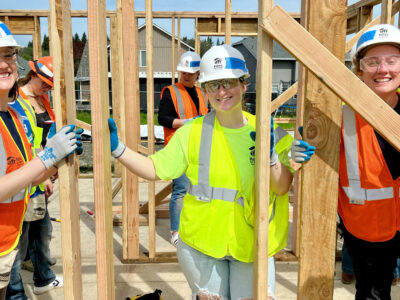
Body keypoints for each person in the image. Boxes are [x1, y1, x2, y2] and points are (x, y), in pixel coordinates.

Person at [109, 44, 314, 300]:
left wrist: (272, 156)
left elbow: (281, 187)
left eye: (228, 82)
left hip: (252, 245)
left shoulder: (268, 131)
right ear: (204, 89)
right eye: (212, 85)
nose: (221, 91)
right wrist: (118, 150)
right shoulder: (191, 132)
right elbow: (154, 168)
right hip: (201, 244)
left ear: (244, 84)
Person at [0, 21, 82, 300]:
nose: (4, 64)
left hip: (7, 236)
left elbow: (22, 164)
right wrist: (47, 156)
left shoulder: (10, 115)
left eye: (8, 55)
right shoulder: (18, 106)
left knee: (37, 233)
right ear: (32, 76)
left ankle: (36, 279)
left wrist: (54, 162)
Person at [338, 23, 400, 299]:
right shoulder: (342, 120)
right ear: (359, 69)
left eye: (392, 61)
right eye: (372, 62)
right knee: (373, 295)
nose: (383, 69)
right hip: (366, 228)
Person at [6, 56, 62, 299]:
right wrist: (42, 171)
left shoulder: (43, 102)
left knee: (41, 230)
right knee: (19, 239)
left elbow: (44, 137)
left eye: (51, 86)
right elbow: (25, 143)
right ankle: (16, 291)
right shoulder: (15, 100)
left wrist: (51, 168)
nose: (47, 89)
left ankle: (43, 277)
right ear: (33, 76)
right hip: (25, 175)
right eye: (45, 84)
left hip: (40, 175)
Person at [157, 51, 208, 247]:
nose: (186, 76)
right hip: (179, 147)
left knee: (199, 190)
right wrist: (186, 122)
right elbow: (163, 118)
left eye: (191, 73)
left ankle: (195, 227)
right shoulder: (171, 91)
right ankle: (176, 231)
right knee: (180, 190)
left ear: (197, 74)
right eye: (184, 72)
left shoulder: (202, 92)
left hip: (199, 146)